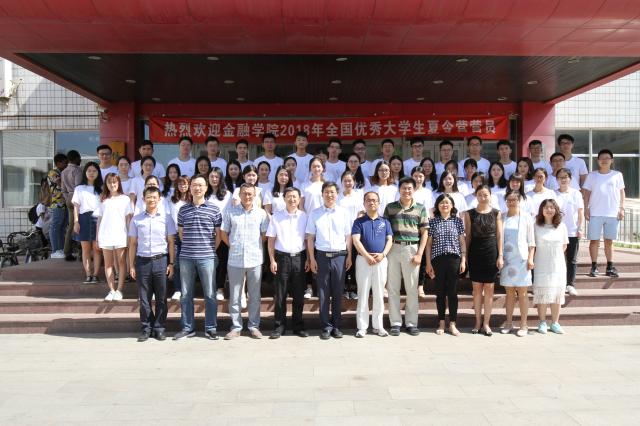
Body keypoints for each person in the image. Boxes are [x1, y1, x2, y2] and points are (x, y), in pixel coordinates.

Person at [174, 174, 222, 340]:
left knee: (210, 294)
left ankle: (211, 328)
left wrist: (209, 250)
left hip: (207, 258)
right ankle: (188, 328)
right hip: (186, 257)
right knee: (186, 294)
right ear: (190, 187)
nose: (197, 188)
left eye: (201, 185)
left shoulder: (214, 209)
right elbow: (181, 234)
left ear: (206, 188)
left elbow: (218, 235)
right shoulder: (183, 209)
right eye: (194, 185)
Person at [220, 183, 269, 339]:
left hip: (255, 259)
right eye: (244, 193)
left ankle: (254, 326)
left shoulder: (261, 214)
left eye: (250, 194)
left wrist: (254, 246)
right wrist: (232, 245)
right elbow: (223, 233)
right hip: (235, 259)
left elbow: (264, 235)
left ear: (254, 196)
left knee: (254, 295)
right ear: (239, 195)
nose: (247, 196)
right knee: (235, 296)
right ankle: (236, 327)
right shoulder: (230, 212)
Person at [128, 186, 175, 342]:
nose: (152, 200)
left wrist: (171, 263)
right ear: (143, 199)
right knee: (144, 298)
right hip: (143, 262)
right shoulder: (136, 219)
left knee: (161, 297)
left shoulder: (167, 218)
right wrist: (131, 265)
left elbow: (171, 242)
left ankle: (159, 328)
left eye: (154, 197)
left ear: (159, 199)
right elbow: (132, 243)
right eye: (149, 197)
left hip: (161, 260)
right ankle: (146, 328)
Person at [306, 182, 353, 340]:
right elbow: (310, 238)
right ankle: (326, 326)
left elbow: (348, 236)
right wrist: (312, 259)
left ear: (337, 194)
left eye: (332, 192)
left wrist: (349, 256)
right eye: (326, 192)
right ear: (322, 194)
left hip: (340, 256)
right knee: (323, 293)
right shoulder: (315, 213)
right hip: (322, 256)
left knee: (338, 292)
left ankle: (337, 326)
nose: (329, 195)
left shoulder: (344, 213)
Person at [384, 177, 429, 336]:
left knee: (411, 289)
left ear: (414, 189)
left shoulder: (420, 208)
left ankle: (411, 323)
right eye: (404, 188)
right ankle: (395, 323)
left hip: (412, 249)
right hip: (393, 248)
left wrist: (420, 253)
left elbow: (425, 233)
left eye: (410, 188)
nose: (407, 191)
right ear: (399, 189)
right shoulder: (390, 208)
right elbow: (386, 231)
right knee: (393, 288)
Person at [266, 187, 310, 339]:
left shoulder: (304, 216)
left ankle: (298, 326)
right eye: (289, 196)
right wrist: (272, 260)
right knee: (280, 295)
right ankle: (279, 327)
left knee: (299, 295)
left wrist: (308, 259)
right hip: (281, 259)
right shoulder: (276, 217)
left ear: (299, 199)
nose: (292, 199)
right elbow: (271, 240)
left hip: (299, 258)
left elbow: (307, 240)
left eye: (295, 197)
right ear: (284, 198)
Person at [352, 191, 393, 338]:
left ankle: (378, 326)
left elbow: (390, 240)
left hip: (381, 261)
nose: (371, 202)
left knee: (379, 294)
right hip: (363, 260)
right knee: (363, 294)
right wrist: (367, 256)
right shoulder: (358, 222)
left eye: (374, 200)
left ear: (379, 203)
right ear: (364, 203)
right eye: (368, 200)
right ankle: (362, 327)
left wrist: (383, 254)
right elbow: (356, 240)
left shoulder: (385, 222)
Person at [465, 185, 503, 336]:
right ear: (476, 196)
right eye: (480, 194)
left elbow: (499, 236)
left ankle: (486, 323)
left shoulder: (496, 213)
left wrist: (500, 255)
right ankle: (477, 322)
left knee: (489, 289)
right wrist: (465, 256)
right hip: (475, 252)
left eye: (485, 194)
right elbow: (468, 236)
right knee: (476, 289)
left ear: (490, 195)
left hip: (491, 251)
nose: (483, 197)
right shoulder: (469, 213)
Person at [426, 193, 466, 336]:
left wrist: (463, 260)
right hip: (438, 260)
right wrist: (428, 263)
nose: (444, 205)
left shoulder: (458, 221)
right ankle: (441, 322)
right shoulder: (432, 222)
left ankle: (453, 324)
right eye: (442, 202)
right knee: (440, 292)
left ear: (452, 205)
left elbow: (462, 242)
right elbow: (428, 245)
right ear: (437, 206)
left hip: (454, 259)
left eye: (447, 202)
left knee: (453, 293)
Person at [583, 149, 626, 278]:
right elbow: (586, 193)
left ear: (612, 160)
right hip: (595, 212)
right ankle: (594, 266)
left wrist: (622, 208)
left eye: (607, 158)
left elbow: (622, 192)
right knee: (594, 241)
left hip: (612, 213)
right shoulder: (592, 175)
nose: (604, 160)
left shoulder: (617, 175)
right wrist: (586, 208)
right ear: (598, 161)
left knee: (609, 241)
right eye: (602, 158)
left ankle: (610, 266)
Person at [500, 191, 535, 337]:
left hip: (522, 259)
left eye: (514, 200)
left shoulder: (526, 217)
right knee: (509, 292)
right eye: (509, 200)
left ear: (519, 201)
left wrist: (531, 258)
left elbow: (531, 241)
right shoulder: (502, 216)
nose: (511, 202)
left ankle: (523, 324)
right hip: (507, 259)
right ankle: (508, 323)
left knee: (522, 292)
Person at [533, 199, 569, 334]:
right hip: (541, 263)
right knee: (542, 293)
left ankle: (555, 322)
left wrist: (554, 255)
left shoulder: (561, 226)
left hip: (557, 264)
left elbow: (564, 245)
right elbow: (532, 245)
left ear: (556, 210)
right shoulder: (536, 226)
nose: (549, 210)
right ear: (541, 210)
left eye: (552, 207)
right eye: (546, 207)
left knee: (556, 293)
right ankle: (542, 322)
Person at [96, 173, 133, 301]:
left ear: (118, 183)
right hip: (105, 235)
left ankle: (119, 290)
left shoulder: (125, 199)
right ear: (106, 184)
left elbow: (128, 219)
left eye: (114, 182)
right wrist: (97, 237)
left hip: (120, 234)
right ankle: (111, 290)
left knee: (121, 262)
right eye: (109, 182)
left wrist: (129, 236)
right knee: (108, 264)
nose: (112, 185)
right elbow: (99, 219)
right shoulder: (103, 199)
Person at [72, 162, 103, 283]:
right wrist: (76, 221)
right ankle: (88, 274)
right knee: (85, 249)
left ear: (98, 173)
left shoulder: (102, 188)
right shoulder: (79, 188)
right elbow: (76, 207)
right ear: (85, 172)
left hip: (98, 219)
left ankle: (95, 275)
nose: (91, 173)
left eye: (94, 171)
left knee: (97, 248)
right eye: (89, 171)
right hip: (83, 218)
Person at [555, 168, 584, 295]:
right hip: (556, 231)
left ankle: (570, 284)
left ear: (570, 179)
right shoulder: (553, 194)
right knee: (557, 258)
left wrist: (580, 228)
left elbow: (580, 212)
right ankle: (558, 283)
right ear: (556, 179)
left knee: (572, 259)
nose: (563, 179)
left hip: (572, 231)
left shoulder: (576, 193)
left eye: (565, 177)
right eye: (560, 177)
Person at [205, 168, 232, 302]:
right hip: (206, 233)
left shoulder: (227, 194)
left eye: (217, 177)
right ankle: (209, 288)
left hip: (223, 232)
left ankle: (220, 288)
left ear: (221, 179)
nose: (214, 179)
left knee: (222, 261)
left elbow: (230, 213)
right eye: (212, 176)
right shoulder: (204, 193)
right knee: (207, 262)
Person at [338, 170, 364, 300]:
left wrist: (356, 227)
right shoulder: (338, 197)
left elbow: (362, 212)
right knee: (343, 261)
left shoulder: (358, 196)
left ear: (354, 182)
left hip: (355, 233)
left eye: (350, 180)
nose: (348, 183)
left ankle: (353, 288)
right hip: (340, 234)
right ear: (342, 182)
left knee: (354, 260)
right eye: (345, 181)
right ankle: (343, 288)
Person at [167, 175, 190, 301]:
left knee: (188, 263)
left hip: (190, 234)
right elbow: (169, 217)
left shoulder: (192, 199)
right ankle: (178, 289)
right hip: (175, 234)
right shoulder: (172, 200)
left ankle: (188, 289)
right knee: (176, 263)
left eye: (185, 184)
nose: (182, 186)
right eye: (180, 184)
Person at [61, 150, 82, 261]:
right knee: (81, 224)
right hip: (77, 198)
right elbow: (79, 186)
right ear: (76, 158)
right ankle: (81, 252)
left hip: (69, 197)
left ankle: (67, 252)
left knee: (71, 226)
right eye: (79, 158)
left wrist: (68, 198)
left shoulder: (64, 171)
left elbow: (63, 189)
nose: (80, 160)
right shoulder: (77, 170)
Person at [47, 153, 68, 259]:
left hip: (64, 203)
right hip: (57, 204)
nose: (66, 164)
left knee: (62, 227)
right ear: (58, 163)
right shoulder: (53, 172)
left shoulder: (62, 172)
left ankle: (61, 249)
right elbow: (61, 184)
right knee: (55, 227)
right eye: (65, 163)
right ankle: (55, 250)